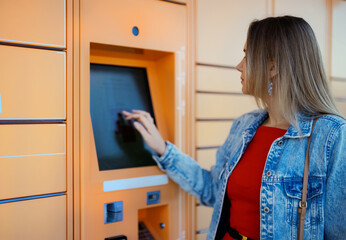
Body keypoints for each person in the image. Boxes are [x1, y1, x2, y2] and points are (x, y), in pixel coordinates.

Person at [123, 16, 346, 240]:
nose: (238, 65)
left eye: (247, 56)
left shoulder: (331, 137)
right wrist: (162, 149)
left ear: (273, 67)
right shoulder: (244, 125)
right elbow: (212, 190)